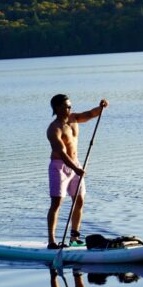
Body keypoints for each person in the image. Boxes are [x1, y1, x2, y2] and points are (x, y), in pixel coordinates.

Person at [46, 94, 108, 249]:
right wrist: (75, 169)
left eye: (70, 105)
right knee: (56, 203)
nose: (70, 108)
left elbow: (90, 114)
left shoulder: (74, 119)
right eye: (66, 106)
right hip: (59, 167)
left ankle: (74, 237)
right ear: (57, 108)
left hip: (75, 165)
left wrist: (101, 107)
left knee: (79, 200)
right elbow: (61, 152)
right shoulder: (54, 129)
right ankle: (52, 242)